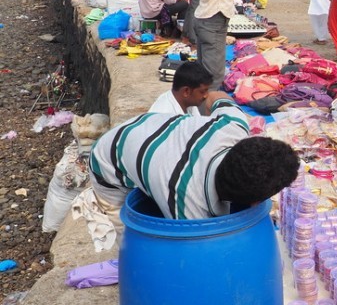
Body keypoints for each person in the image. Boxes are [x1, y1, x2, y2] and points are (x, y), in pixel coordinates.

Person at [90, 92, 299, 225]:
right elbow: (198, 254)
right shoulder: (187, 208)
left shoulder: (232, 127)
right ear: (254, 201)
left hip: (149, 132)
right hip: (110, 158)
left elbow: (215, 96)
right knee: (126, 229)